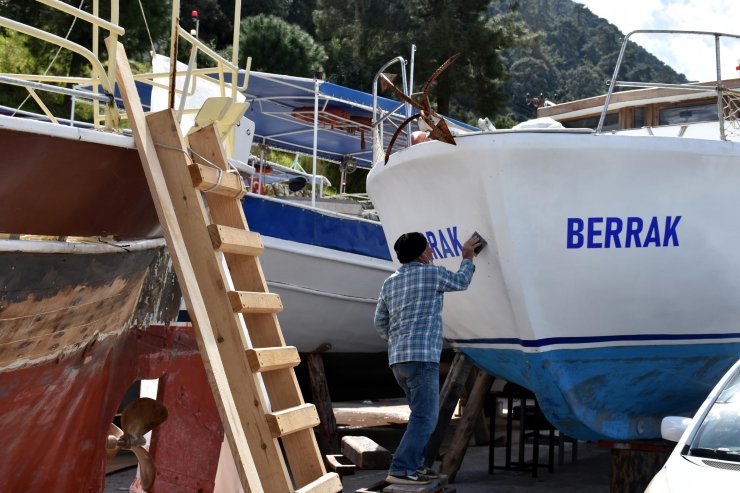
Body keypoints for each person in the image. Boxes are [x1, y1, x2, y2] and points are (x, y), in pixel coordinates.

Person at [374, 231, 481, 485]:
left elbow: (380, 323)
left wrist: (400, 341)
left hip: (398, 360)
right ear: (422, 254)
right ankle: (401, 469)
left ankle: (416, 466)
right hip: (422, 359)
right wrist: (468, 257)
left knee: (419, 416)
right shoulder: (432, 274)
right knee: (425, 417)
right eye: (429, 247)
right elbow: (462, 281)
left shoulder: (390, 282)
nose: (432, 250)